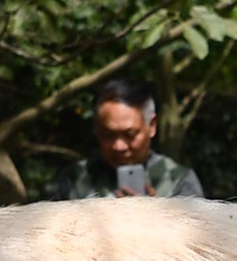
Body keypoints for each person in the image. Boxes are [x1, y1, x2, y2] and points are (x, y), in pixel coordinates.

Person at [53, 77, 207, 201]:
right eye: (108, 134)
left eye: (130, 134)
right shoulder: (75, 178)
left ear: (152, 126)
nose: (119, 146)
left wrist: (157, 220)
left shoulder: (179, 181)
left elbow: (198, 238)